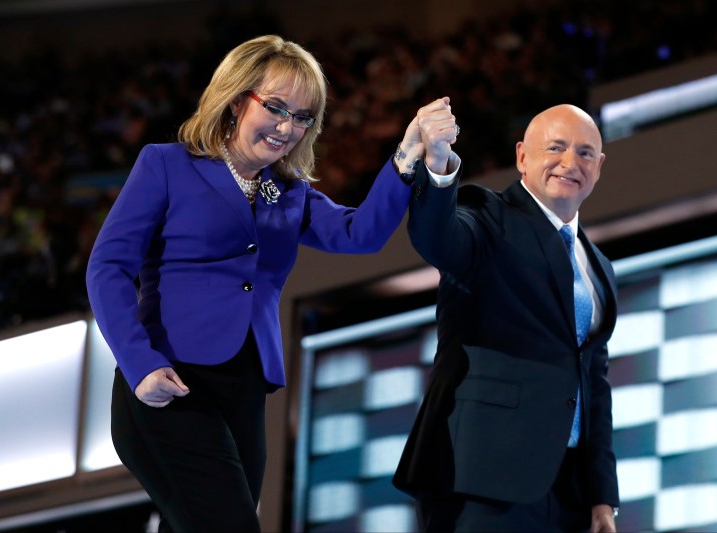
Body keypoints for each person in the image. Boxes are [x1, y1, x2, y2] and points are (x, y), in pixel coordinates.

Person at [85, 35, 453, 532]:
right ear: (237, 100)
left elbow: (360, 234)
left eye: (302, 117)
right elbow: (107, 267)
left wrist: (407, 156)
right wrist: (139, 362)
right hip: (168, 385)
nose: (287, 127)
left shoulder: (288, 192)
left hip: (245, 390)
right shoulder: (167, 165)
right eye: (276, 108)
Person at [393, 103, 620, 532]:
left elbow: (594, 386)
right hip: (481, 480)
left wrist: (602, 496)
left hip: (568, 495)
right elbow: (437, 239)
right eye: (556, 147)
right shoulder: (488, 217)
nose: (571, 162)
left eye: (586, 153)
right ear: (522, 157)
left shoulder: (599, 266)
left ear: (600, 166)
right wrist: (438, 167)